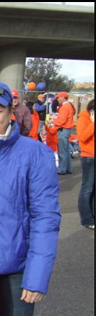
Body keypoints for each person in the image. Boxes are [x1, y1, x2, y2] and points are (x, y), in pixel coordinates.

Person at [0, 81, 61, 316]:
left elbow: (45, 218)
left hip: (15, 270)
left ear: (11, 113)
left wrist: (36, 276)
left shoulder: (34, 153)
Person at [76, 99, 94, 230]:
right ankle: (87, 219)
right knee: (87, 189)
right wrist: (93, 124)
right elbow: (82, 137)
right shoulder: (83, 118)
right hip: (89, 157)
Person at [50, 91, 76, 175]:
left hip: (63, 129)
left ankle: (62, 169)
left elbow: (61, 120)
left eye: (58, 97)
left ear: (62, 97)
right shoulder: (69, 106)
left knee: (62, 151)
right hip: (67, 129)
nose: (57, 99)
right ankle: (68, 168)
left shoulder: (65, 107)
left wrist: (52, 121)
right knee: (66, 149)